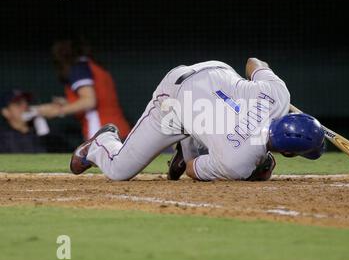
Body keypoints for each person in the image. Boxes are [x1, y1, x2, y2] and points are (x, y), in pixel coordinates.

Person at [70, 58, 325, 181]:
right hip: (174, 104)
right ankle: (101, 142)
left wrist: (265, 90)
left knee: (249, 158)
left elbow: (253, 62)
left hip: (211, 70)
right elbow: (192, 170)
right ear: (289, 153)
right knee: (118, 170)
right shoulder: (238, 162)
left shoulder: (278, 94)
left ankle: (189, 142)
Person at [36, 39, 131, 140]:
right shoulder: (93, 66)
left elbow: (89, 101)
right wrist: (66, 102)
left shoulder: (79, 68)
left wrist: (58, 111)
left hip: (101, 130)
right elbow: (96, 98)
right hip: (117, 128)